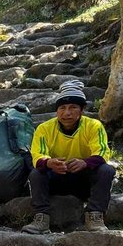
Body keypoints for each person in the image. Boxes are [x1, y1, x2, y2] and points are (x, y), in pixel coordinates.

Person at [22, 81, 114, 235]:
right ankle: (41, 219)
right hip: (57, 178)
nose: (67, 113)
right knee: (36, 173)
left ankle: (95, 217)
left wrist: (85, 163)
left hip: (84, 181)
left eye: (73, 107)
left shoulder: (94, 126)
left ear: (82, 110)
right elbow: (37, 156)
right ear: (57, 111)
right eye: (62, 108)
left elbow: (102, 152)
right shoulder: (44, 129)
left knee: (107, 170)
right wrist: (49, 163)